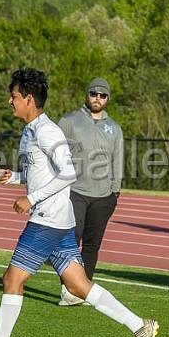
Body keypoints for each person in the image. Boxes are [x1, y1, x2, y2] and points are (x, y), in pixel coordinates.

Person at [0, 69, 158, 337]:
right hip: (59, 221)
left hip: (47, 221)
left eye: (14, 96)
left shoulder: (47, 132)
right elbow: (44, 174)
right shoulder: (30, 131)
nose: (10, 101)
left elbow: (68, 173)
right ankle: (139, 326)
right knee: (78, 286)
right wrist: (16, 179)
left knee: (12, 280)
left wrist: (31, 199)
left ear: (29, 99)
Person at [56, 77, 124, 306]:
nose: (97, 98)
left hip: (103, 196)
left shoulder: (114, 128)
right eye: (94, 93)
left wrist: (115, 191)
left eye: (102, 95)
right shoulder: (70, 121)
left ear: (108, 99)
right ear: (87, 95)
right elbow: (53, 150)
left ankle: (82, 290)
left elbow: (118, 159)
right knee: (71, 240)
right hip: (74, 190)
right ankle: (67, 289)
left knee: (92, 245)